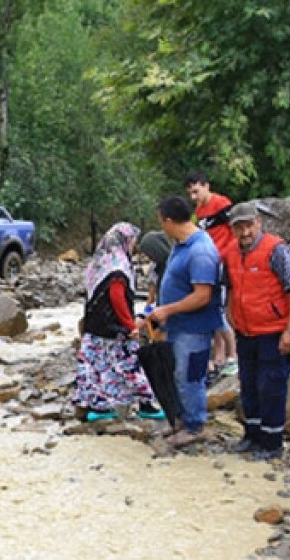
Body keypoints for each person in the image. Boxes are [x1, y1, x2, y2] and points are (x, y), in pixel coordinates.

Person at [220, 202, 290, 461]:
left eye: (249, 225)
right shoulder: (231, 253)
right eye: (239, 227)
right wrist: (230, 314)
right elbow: (231, 287)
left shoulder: (275, 250)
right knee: (248, 385)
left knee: (271, 386)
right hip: (246, 331)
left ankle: (272, 442)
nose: (245, 232)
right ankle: (252, 436)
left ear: (258, 222)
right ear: (232, 229)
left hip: (273, 331)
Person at [143, 196, 223, 448]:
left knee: (190, 376)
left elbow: (203, 295)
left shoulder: (201, 251)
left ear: (168, 220)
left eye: (161, 222)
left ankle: (194, 426)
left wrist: (168, 309)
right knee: (177, 373)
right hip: (177, 325)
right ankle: (182, 419)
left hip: (194, 328)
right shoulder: (182, 244)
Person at [71, 222, 162, 421]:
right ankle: (145, 404)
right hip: (114, 328)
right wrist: (131, 325)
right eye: (133, 241)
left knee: (94, 366)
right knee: (129, 364)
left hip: (95, 325)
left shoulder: (102, 261)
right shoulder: (119, 265)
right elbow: (117, 297)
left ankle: (97, 407)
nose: (134, 245)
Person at [185, 171, 239, 378]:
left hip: (221, 261)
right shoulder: (199, 211)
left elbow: (233, 231)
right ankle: (218, 356)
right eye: (190, 193)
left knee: (219, 310)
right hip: (207, 261)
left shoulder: (222, 203)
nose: (193, 197)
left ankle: (231, 355)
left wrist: (224, 255)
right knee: (212, 308)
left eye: (196, 191)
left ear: (206, 185)